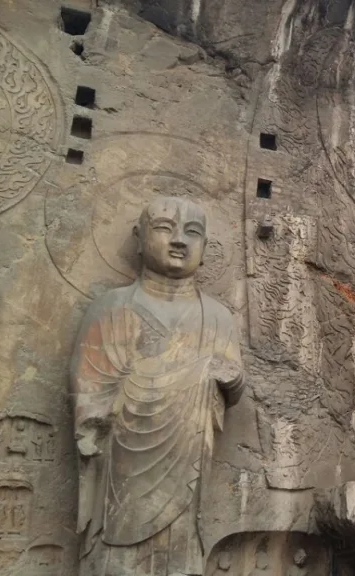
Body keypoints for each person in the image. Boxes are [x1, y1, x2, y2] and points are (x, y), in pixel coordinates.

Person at [72, 196, 244, 576]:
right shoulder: (111, 307)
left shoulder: (216, 317)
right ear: (139, 237)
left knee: (180, 557)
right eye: (165, 228)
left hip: (188, 459)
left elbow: (233, 375)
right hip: (122, 467)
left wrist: (224, 375)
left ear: (206, 246)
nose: (179, 240)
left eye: (192, 232)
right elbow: (89, 388)